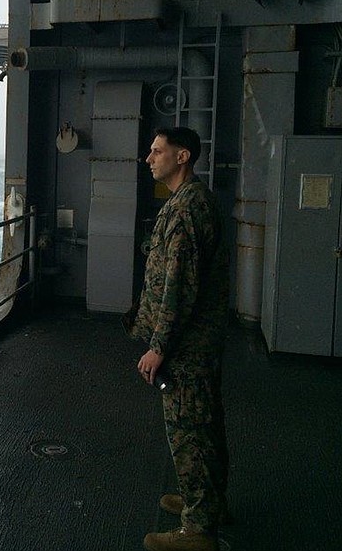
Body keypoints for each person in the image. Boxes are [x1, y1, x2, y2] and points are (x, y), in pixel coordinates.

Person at [131, 127, 230, 551]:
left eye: (157, 151)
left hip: (186, 347)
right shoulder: (187, 201)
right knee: (204, 425)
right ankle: (205, 502)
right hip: (195, 342)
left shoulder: (188, 208)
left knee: (189, 430)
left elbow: (178, 285)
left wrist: (159, 346)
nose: (148, 158)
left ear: (182, 156)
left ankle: (198, 531)